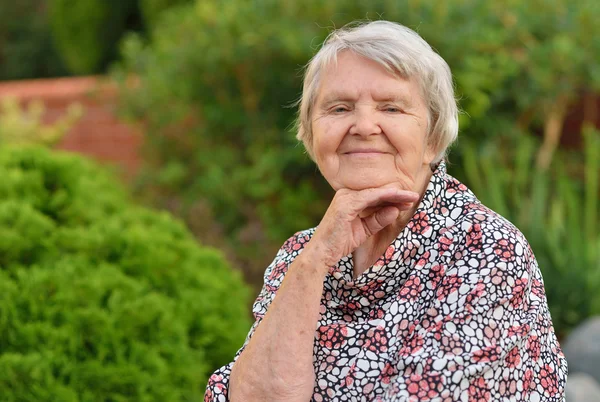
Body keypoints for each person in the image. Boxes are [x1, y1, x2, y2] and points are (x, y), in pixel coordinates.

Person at [204, 20, 567, 402]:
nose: (363, 126)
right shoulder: (300, 255)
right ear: (312, 136)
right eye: (339, 107)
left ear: (433, 136)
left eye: (391, 108)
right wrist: (315, 261)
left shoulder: (486, 249)